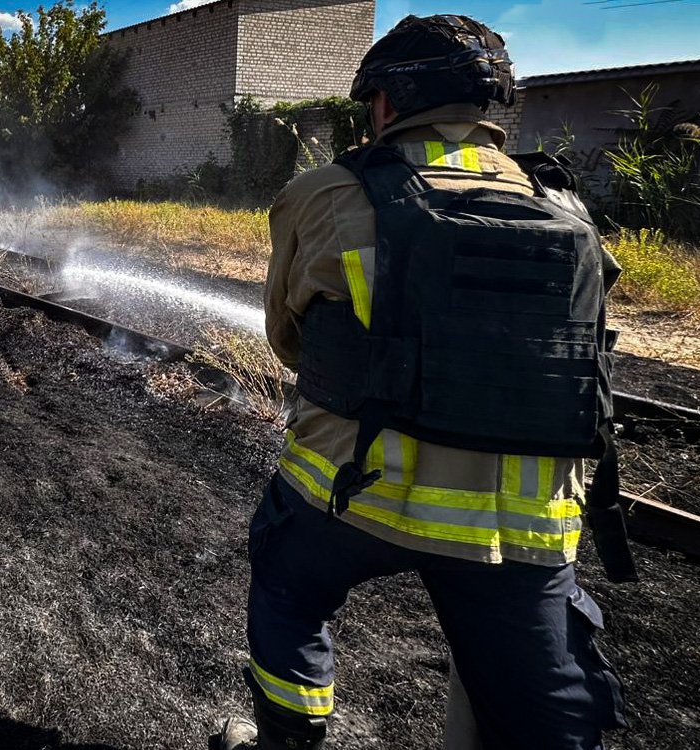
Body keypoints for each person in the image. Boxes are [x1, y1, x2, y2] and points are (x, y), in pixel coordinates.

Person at [211, 14, 632, 750]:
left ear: (384, 102)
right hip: (522, 527)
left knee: (286, 587)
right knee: (543, 706)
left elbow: (289, 343)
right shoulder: (567, 208)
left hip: (352, 490)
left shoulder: (327, 192)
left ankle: (286, 738)